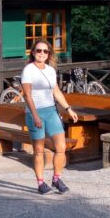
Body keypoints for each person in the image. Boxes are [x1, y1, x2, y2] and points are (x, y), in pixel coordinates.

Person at [21, 39, 79, 194]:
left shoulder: (50, 70)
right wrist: (35, 116)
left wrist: (68, 109)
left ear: (49, 54)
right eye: (38, 51)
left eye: (45, 51)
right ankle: (40, 183)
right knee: (39, 149)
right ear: (33, 53)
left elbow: (56, 92)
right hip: (35, 112)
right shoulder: (28, 70)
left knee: (61, 147)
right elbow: (27, 95)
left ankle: (56, 179)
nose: (41, 53)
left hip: (51, 111)